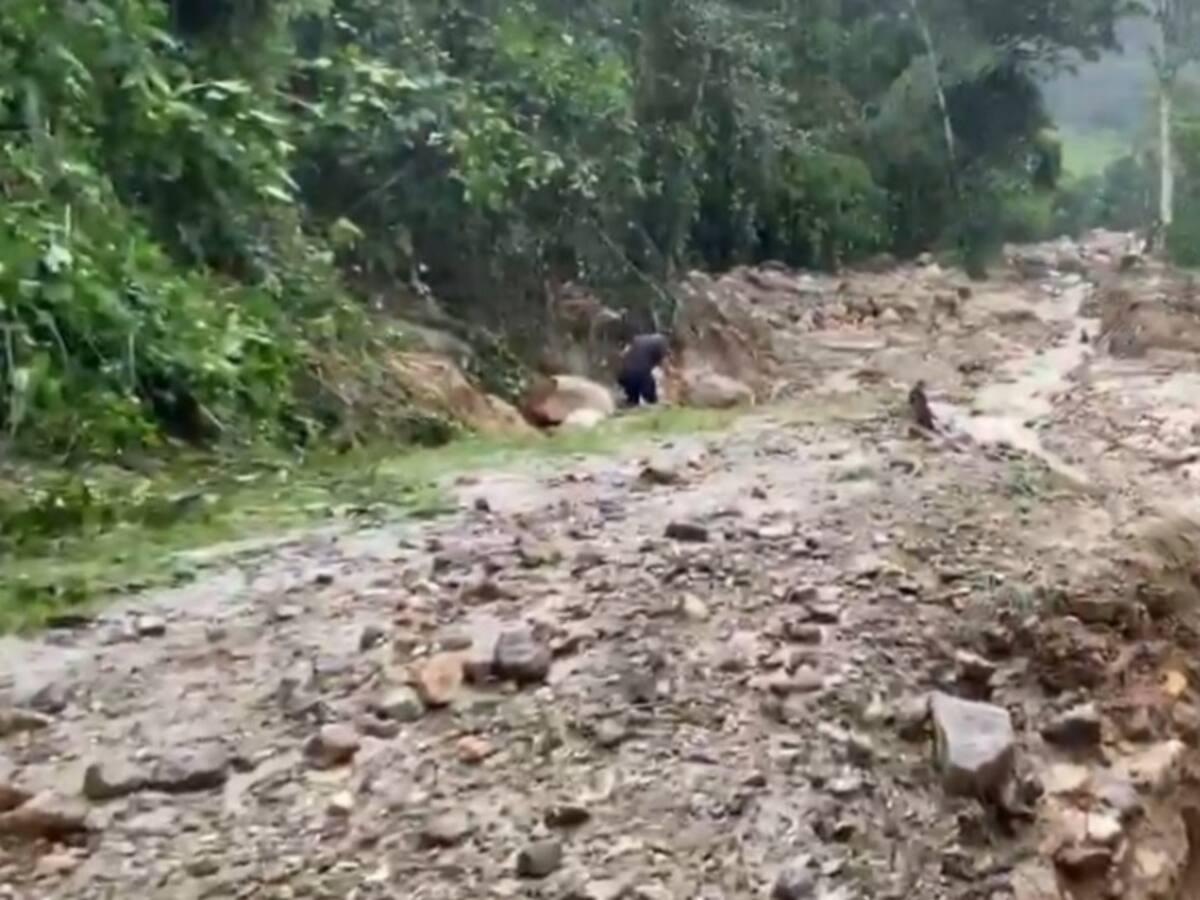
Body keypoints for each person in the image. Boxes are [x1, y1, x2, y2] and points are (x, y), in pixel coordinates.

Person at [617, 333, 668, 407]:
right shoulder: (662, 343)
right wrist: (673, 373)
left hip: (625, 374)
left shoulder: (637, 339)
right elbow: (664, 364)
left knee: (632, 401)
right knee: (652, 400)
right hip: (641, 374)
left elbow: (624, 354)